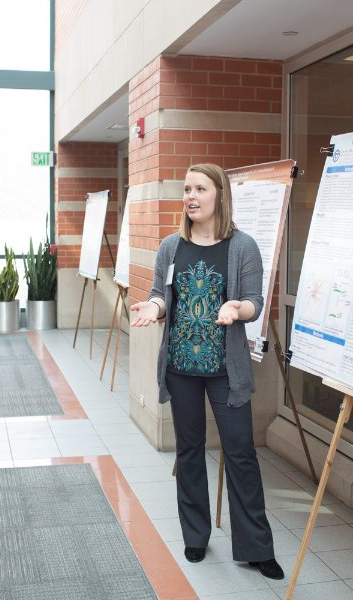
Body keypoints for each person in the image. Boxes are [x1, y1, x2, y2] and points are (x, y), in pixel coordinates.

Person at [130, 163, 284, 580]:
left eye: (199, 188)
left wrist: (238, 309)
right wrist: (154, 307)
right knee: (189, 451)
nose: (190, 196)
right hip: (181, 368)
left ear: (220, 194)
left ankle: (255, 546)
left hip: (224, 370)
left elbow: (254, 302)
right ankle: (195, 536)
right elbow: (163, 296)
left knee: (241, 453)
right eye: (186, 189)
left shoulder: (242, 246)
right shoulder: (170, 247)